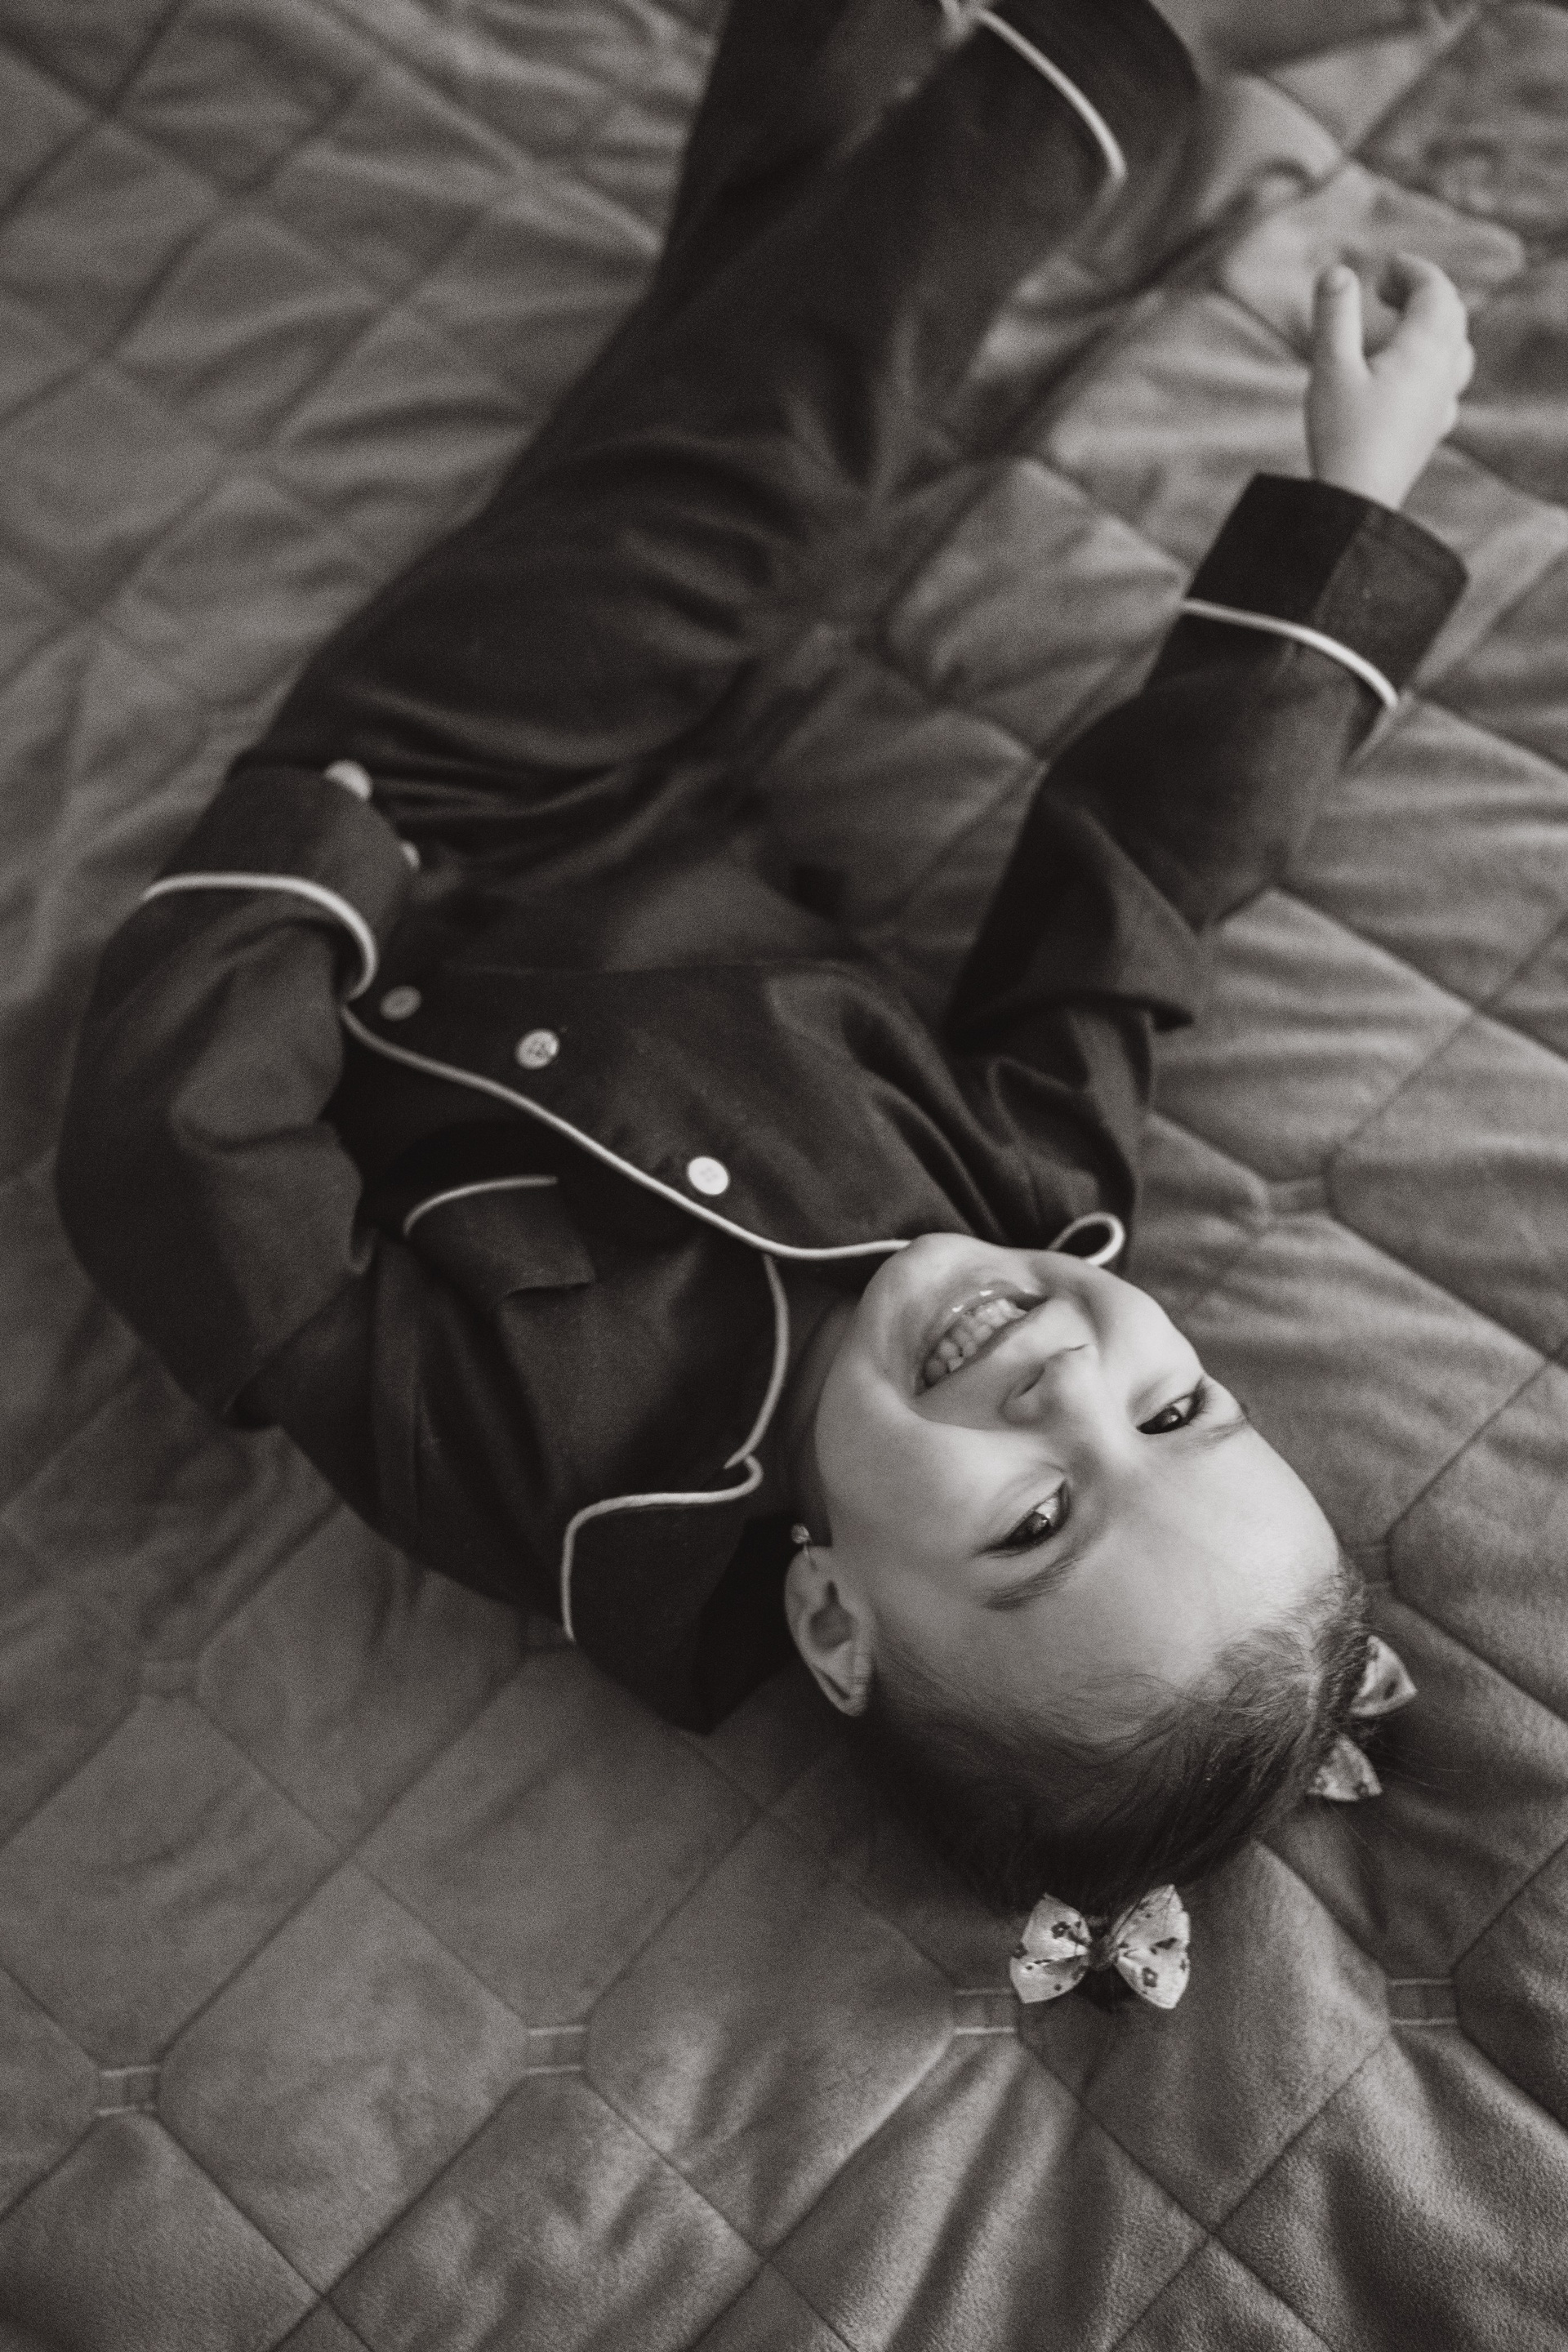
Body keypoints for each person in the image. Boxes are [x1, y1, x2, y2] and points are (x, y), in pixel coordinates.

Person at [56, 0, 1475, 1959]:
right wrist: (1351, 512)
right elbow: (1138, 886)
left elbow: (193, 1189)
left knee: (756, 473)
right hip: (664, 769)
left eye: (1035, 1522)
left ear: (833, 1621)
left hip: (410, 805)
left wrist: (313, 864)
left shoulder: (574, 1492)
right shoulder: (1033, 1193)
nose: (1071, 1383)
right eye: (1177, 1412)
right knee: (717, 387)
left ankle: (1115, 52)